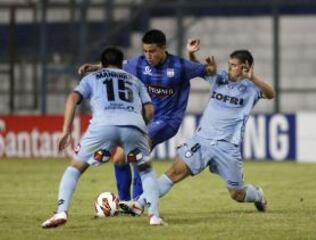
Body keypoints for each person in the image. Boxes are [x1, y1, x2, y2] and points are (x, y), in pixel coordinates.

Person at [119, 45, 276, 220]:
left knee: (237, 194)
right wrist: (191, 54)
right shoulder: (220, 78)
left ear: (245, 66)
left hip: (227, 147)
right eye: (229, 64)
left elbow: (271, 94)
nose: (229, 68)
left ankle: (258, 195)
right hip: (202, 141)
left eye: (234, 65)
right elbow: (199, 70)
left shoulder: (251, 88)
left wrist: (253, 78)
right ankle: (139, 203)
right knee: (173, 173)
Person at [79, 29, 216, 202]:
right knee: (119, 159)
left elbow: (208, 71)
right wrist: (93, 67)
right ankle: (124, 203)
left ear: (163, 48)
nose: (148, 55)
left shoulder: (180, 66)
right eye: (145, 51)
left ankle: (138, 202)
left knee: (137, 152)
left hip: (168, 120)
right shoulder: (139, 64)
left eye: (152, 51)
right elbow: (116, 66)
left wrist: (198, 58)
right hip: (144, 119)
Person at [41, 46, 165, 228]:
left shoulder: (91, 78)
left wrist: (66, 130)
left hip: (103, 126)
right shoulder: (135, 80)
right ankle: (154, 216)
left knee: (75, 168)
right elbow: (149, 110)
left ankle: (61, 212)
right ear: (121, 64)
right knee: (146, 170)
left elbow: (72, 99)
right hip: (133, 125)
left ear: (103, 63)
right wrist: (141, 130)